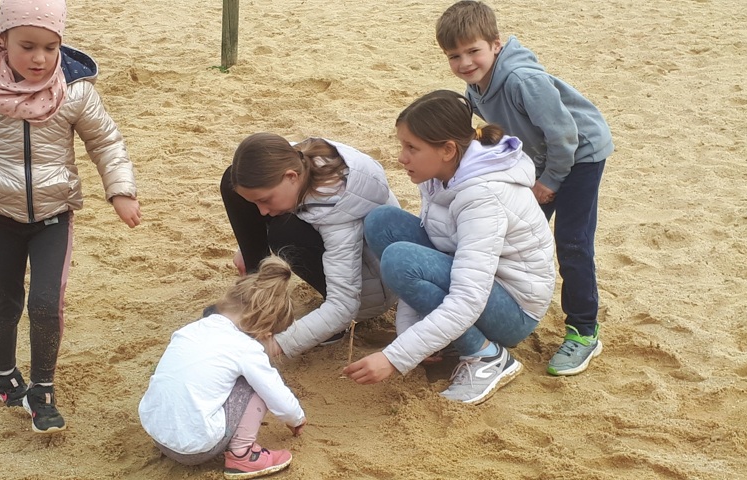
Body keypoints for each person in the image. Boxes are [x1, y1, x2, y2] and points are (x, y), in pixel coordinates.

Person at [0, 0, 141, 433]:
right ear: (2, 42)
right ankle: (4, 374)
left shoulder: (75, 90)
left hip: (54, 215)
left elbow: (105, 142)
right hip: (0, 216)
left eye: (50, 47)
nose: (39, 58)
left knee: (47, 304)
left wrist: (120, 190)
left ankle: (42, 389)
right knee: (6, 303)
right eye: (27, 46)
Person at [342, 90, 555, 405]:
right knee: (382, 221)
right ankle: (448, 339)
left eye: (412, 148)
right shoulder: (442, 174)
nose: (402, 157)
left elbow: (467, 298)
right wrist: (410, 330)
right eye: (403, 145)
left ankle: (487, 357)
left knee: (399, 260)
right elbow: (438, 257)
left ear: (448, 149)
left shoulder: (481, 196)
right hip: (477, 281)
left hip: (513, 309)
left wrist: (394, 357)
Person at [435, 1, 614, 375]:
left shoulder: (520, 79)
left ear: (496, 44)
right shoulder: (475, 87)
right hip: (543, 155)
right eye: (455, 56)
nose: (466, 62)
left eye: (474, 51)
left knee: (572, 241)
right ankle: (500, 311)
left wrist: (548, 181)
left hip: (580, 154)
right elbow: (493, 130)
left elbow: (566, 135)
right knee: (514, 232)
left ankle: (584, 332)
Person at [219, 133, 398, 358]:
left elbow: (343, 307)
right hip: (338, 252)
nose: (261, 212)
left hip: (369, 291)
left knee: (283, 232)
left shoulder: (337, 209)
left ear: (291, 177)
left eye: (265, 201)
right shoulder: (297, 158)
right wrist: (249, 244)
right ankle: (259, 289)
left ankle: (324, 328)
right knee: (232, 179)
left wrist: (276, 345)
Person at [138, 256, 306, 480]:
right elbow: (275, 394)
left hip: (157, 432)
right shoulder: (246, 347)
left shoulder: (191, 329)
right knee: (254, 383)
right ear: (266, 331)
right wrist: (296, 419)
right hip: (196, 447)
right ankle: (243, 456)